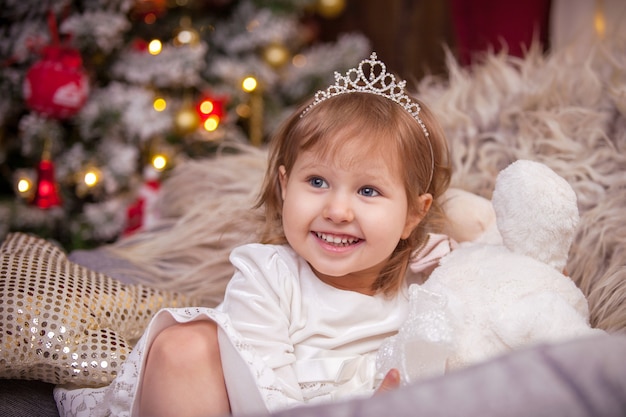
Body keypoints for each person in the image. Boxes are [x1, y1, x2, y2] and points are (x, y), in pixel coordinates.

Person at [54, 53, 452, 417]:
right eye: (316, 181)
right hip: (259, 406)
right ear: (283, 187)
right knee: (184, 346)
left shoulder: (430, 278)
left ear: (413, 216)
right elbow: (261, 399)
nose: (336, 211)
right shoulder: (269, 278)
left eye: (368, 191)